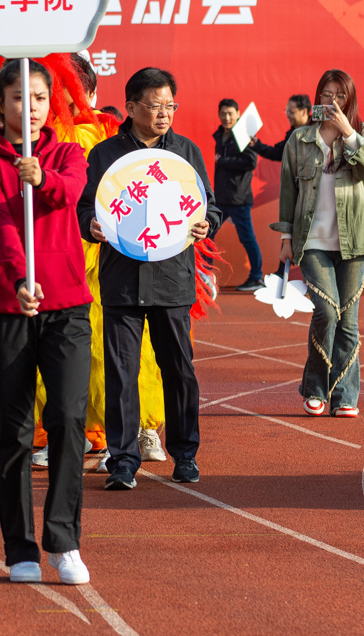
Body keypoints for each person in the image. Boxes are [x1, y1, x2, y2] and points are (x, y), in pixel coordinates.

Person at [0, 59, 93, 586]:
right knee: (14, 432)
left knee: (66, 418)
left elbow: (69, 192)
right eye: (18, 97)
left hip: (66, 305)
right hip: (6, 305)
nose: (30, 107)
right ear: (1, 105)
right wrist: (20, 278)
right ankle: (19, 548)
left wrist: (42, 178)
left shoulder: (68, 154)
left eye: (38, 97)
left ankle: (64, 540)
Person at [77, 68, 219, 490]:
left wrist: (207, 222)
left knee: (178, 368)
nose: (164, 114)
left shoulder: (186, 152)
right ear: (132, 107)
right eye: (155, 106)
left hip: (172, 278)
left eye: (170, 105)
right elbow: (85, 207)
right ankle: (122, 461)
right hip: (121, 280)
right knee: (122, 371)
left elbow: (210, 206)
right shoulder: (104, 155)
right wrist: (91, 225)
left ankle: (185, 454)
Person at [274, 69, 364, 418]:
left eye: (340, 95)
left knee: (348, 320)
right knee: (325, 311)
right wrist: (286, 238)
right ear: (316, 98)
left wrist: (348, 132)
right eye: (326, 94)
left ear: (350, 99)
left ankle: (345, 396)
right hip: (312, 241)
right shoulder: (300, 139)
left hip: (355, 241)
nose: (332, 101)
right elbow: (288, 190)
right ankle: (316, 388)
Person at [212, 99, 262, 291]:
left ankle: (256, 277)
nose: (227, 117)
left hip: (239, 198)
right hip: (221, 198)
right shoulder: (219, 135)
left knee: (248, 238)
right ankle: (205, 275)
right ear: (219, 114)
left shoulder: (243, 134)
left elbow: (250, 162)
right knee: (207, 237)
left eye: (231, 113)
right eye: (223, 113)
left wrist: (223, 160)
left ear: (238, 113)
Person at [253, 95, 311, 164]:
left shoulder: (318, 129)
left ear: (304, 112)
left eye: (291, 112)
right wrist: (257, 145)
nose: (288, 115)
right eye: (287, 112)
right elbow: (279, 153)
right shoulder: (291, 134)